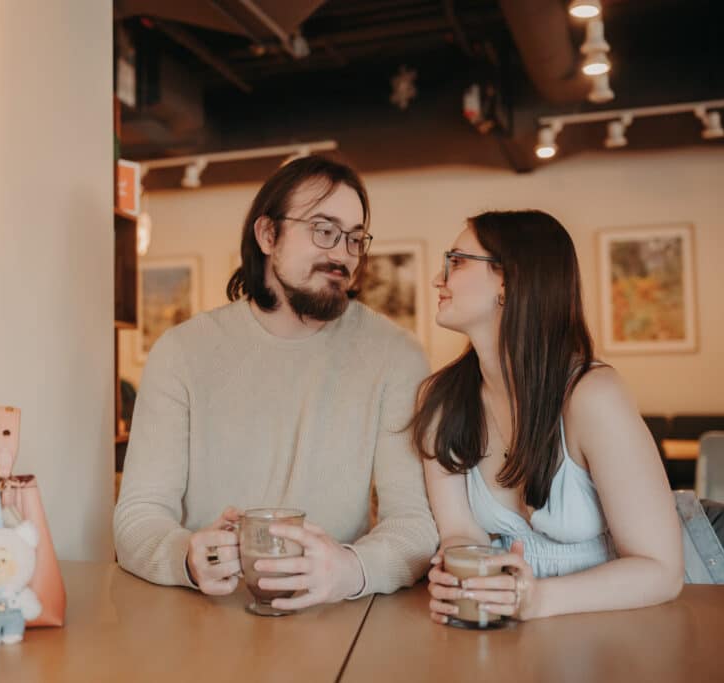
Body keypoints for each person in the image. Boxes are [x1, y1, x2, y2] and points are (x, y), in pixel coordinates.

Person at [113, 156, 438, 609]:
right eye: (324, 230)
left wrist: (347, 570)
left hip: (335, 622)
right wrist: (186, 557)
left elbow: (414, 526)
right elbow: (137, 516)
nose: (342, 253)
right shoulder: (182, 352)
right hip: (202, 620)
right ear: (268, 235)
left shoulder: (396, 356)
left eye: (354, 239)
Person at [409, 210, 686, 624]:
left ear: (510, 280)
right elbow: (461, 534)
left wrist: (537, 599)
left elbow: (661, 571)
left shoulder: (591, 395)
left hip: (628, 625)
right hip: (514, 631)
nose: (438, 279)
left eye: (457, 260)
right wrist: (456, 575)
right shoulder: (439, 400)